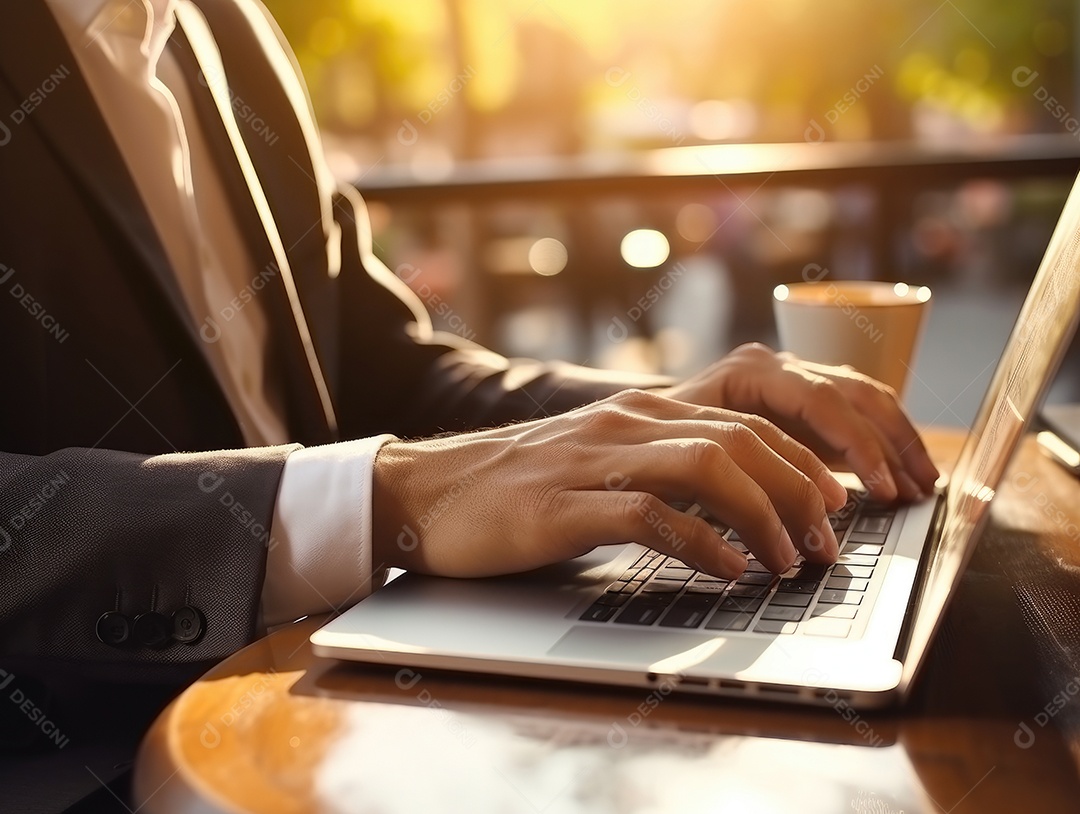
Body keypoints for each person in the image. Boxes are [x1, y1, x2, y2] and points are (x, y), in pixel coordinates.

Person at [0, 0, 939, 809]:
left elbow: (386, 372)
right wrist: (386, 500)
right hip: (80, 761)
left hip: (333, 693)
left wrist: (663, 420)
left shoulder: (226, 29)